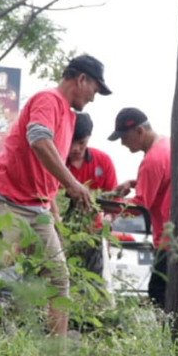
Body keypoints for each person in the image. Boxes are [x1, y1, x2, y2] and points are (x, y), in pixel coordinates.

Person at [0, 55, 110, 336]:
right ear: (82, 80)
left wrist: (53, 214)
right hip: (4, 202)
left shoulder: (68, 114)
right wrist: (73, 185)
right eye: (95, 90)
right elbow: (39, 140)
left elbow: (45, 170)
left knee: (59, 280)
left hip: (37, 210)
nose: (94, 98)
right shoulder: (47, 100)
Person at [109, 108, 171, 308]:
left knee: (158, 295)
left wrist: (106, 205)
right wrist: (134, 182)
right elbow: (163, 181)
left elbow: (140, 207)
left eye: (124, 137)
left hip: (169, 241)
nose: (123, 143)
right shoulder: (166, 145)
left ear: (139, 131)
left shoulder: (151, 160)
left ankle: (169, 338)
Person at [64, 112, 118, 276]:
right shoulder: (55, 161)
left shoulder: (103, 161)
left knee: (94, 282)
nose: (75, 148)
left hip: (93, 236)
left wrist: (108, 221)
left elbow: (113, 200)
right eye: (71, 142)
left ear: (89, 137)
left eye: (81, 142)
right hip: (62, 235)